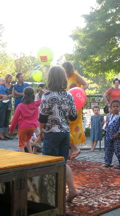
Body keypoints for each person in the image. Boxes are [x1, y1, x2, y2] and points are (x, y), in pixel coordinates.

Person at [39, 65, 78, 202]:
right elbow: (73, 116)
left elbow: (42, 118)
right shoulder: (68, 95)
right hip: (65, 133)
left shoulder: (47, 96)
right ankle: (70, 190)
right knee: (62, 163)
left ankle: (53, 200)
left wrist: (40, 133)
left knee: (50, 166)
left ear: (50, 78)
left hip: (51, 133)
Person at [62, 62, 88, 160]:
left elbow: (86, 84)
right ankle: (71, 150)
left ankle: (74, 148)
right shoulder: (64, 78)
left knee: (69, 125)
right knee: (67, 125)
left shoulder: (76, 75)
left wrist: (79, 91)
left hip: (76, 105)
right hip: (67, 104)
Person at [9, 87, 40, 152]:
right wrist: (43, 91)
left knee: (21, 145)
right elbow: (43, 99)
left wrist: (11, 129)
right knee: (28, 140)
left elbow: (15, 119)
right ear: (33, 95)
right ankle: (31, 155)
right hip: (32, 126)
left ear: (24, 95)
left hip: (23, 126)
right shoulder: (35, 104)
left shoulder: (20, 106)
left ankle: (22, 159)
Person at [104, 100, 120, 169]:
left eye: (117, 106)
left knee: (118, 150)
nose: (115, 108)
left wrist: (118, 133)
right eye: (113, 106)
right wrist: (105, 131)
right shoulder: (111, 116)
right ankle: (108, 162)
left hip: (117, 137)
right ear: (111, 108)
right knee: (108, 149)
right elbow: (108, 124)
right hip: (109, 136)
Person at [2, 74, 14, 139]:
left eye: (11, 78)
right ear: (6, 78)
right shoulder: (2, 85)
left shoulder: (12, 86)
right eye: (9, 78)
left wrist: (8, 96)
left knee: (7, 118)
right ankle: (1, 133)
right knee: (2, 118)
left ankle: (6, 133)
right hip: (3, 102)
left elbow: (12, 94)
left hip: (9, 102)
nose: (10, 79)